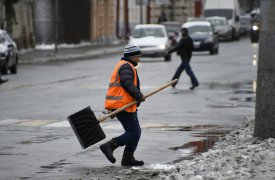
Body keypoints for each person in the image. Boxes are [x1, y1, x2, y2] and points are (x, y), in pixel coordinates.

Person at [100, 43, 145, 166]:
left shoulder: (125, 65)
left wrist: (137, 98)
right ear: (132, 56)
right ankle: (110, 145)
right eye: (138, 56)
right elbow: (127, 83)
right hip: (122, 105)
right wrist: (139, 95)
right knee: (134, 132)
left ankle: (128, 158)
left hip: (123, 104)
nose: (139, 59)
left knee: (135, 132)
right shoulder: (126, 66)